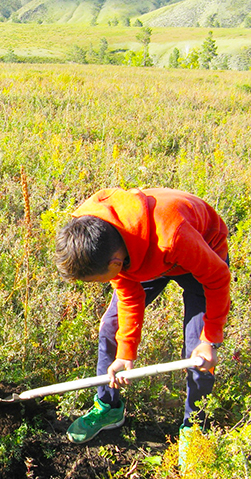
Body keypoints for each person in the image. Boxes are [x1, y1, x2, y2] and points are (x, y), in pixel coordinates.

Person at [54, 187, 230, 457]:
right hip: (140, 253)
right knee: (111, 329)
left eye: (95, 280)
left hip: (198, 250)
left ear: (115, 263)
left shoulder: (174, 235)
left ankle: (195, 427)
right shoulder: (93, 226)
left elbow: (218, 278)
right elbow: (129, 295)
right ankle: (109, 407)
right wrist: (125, 354)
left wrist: (210, 340)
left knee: (198, 355)